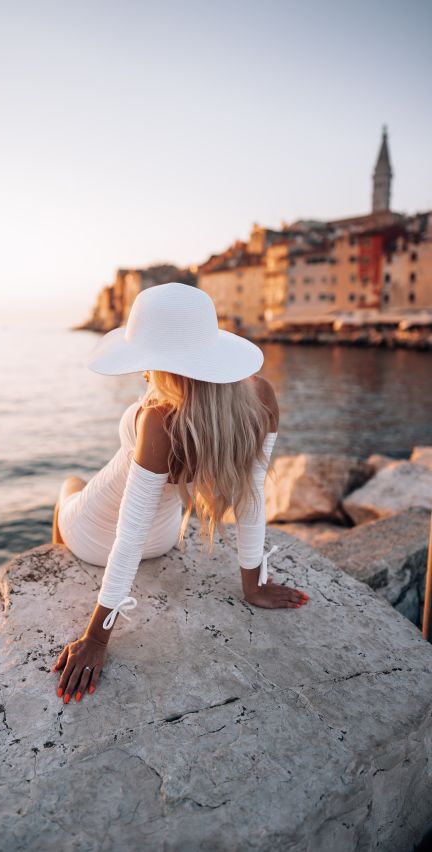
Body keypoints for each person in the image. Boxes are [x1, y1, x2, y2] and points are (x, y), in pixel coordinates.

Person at [51, 282, 309, 704]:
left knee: (70, 486)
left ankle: (59, 564)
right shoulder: (259, 396)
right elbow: (252, 497)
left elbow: (128, 535)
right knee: (80, 488)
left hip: (96, 537)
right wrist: (254, 586)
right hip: (165, 538)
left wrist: (95, 638)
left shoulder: (160, 418)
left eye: (147, 362)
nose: (144, 373)